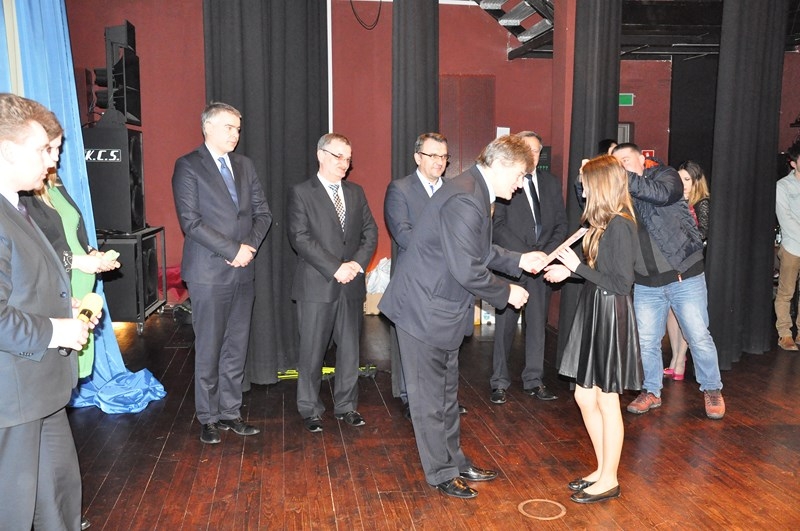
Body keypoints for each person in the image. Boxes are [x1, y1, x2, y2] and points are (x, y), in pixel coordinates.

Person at [379, 135, 543, 499]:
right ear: (501, 164)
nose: (520, 185)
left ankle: (455, 460)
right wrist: (507, 292)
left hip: (441, 309)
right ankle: (440, 473)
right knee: (428, 400)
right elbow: (467, 268)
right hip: (423, 310)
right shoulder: (467, 196)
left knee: (445, 395)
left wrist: (519, 260)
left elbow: (478, 250)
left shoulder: (473, 190)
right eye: (519, 175)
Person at [0, 93, 97, 530]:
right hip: (13, 400)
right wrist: (57, 330)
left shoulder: (19, 205)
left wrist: (63, 304)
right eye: (42, 149)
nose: (51, 160)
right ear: (8, 151)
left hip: (40, 393)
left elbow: (24, 285)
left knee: (59, 503)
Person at [544, 154, 642, 504]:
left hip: (610, 313)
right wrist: (570, 272)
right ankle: (602, 470)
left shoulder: (620, 225)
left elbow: (621, 283)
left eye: (586, 185)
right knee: (585, 396)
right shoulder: (604, 223)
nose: (582, 191)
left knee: (606, 399)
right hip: (596, 308)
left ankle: (609, 479)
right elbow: (602, 272)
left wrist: (577, 267)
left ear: (600, 186)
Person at [172, 101, 272, 444]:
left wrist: (248, 248)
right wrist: (232, 250)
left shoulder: (245, 165)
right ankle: (208, 417)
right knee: (210, 346)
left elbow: (263, 214)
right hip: (208, 272)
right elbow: (191, 222)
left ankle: (231, 412)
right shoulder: (188, 165)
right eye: (229, 127)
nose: (235, 134)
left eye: (238, 129)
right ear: (208, 128)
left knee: (236, 346)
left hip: (243, 269)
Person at [611, 143, 725, 419]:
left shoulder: (666, 177)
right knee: (647, 341)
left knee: (698, 336)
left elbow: (658, 195)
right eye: (616, 163)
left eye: (625, 160)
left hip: (683, 275)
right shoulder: (618, 193)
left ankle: (712, 388)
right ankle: (651, 390)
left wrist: (618, 175)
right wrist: (586, 179)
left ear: (642, 159)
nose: (621, 167)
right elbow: (592, 204)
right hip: (646, 281)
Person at [288, 133, 378, 433]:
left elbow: (370, 232)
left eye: (348, 159)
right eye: (339, 156)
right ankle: (310, 409)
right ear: (321, 155)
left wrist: (356, 265)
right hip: (316, 285)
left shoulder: (356, 192)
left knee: (350, 351)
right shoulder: (302, 192)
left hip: (350, 284)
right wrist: (334, 267)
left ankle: (346, 406)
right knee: (312, 351)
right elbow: (299, 237)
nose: (345, 164)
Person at [21, 109, 120, 379]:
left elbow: (72, 232)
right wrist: (79, 261)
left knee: (74, 373)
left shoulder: (55, 183)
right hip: (62, 281)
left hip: (81, 284)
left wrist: (92, 253)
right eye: (49, 149)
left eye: (58, 149)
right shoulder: (24, 193)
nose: (56, 157)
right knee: (59, 370)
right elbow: (37, 250)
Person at [490, 131, 567, 404]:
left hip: (542, 266)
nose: (532, 155)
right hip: (512, 265)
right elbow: (497, 226)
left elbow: (561, 224)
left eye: (536, 150)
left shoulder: (550, 183)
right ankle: (499, 382)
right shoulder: (507, 181)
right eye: (526, 149)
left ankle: (534, 380)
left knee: (537, 326)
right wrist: (525, 256)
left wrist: (545, 256)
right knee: (505, 327)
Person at [384, 132, 455, 419]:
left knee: (442, 345)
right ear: (417, 157)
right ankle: (410, 398)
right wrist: (448, 247)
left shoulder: (454, 190)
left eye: (444, 156)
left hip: (448, 282)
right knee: (412, 344)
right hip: (415, 281)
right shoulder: (400, 189)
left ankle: (441, 399)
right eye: (433, 155)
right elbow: (403, 234)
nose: (439, 161)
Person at [664, 160, 710, 379]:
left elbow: (702, 233)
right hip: (671, 264)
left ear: (696, 181)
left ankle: (680, 360)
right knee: (671, 312)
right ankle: (676, 357)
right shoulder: (673, 200)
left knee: (686, 314)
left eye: (687, 179)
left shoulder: (702, 203)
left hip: (690, 265)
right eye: (679, 179)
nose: (682, 184)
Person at [775, 140, 800, 351]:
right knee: (786, 292)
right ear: (794, 163)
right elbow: (786, 219)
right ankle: (784, 334)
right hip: (792, 246)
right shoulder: (783, 186)